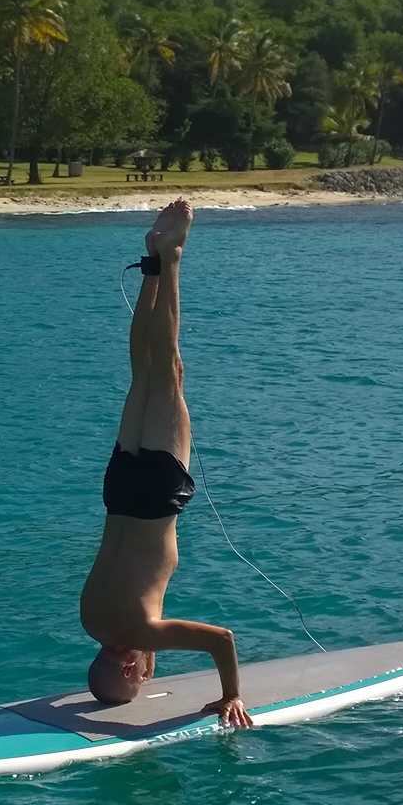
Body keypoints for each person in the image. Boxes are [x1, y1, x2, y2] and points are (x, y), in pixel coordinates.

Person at [79, 198, 253, 727]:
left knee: (169, 369)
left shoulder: (144, 634)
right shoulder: (90, 621)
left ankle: (171, 258)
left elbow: (222, 641)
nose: (150, 671)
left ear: (132, 664)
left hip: (155, 497)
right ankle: (152, 266)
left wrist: (232, 696)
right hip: (119, 492)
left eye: (143, 676)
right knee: (142, 374)